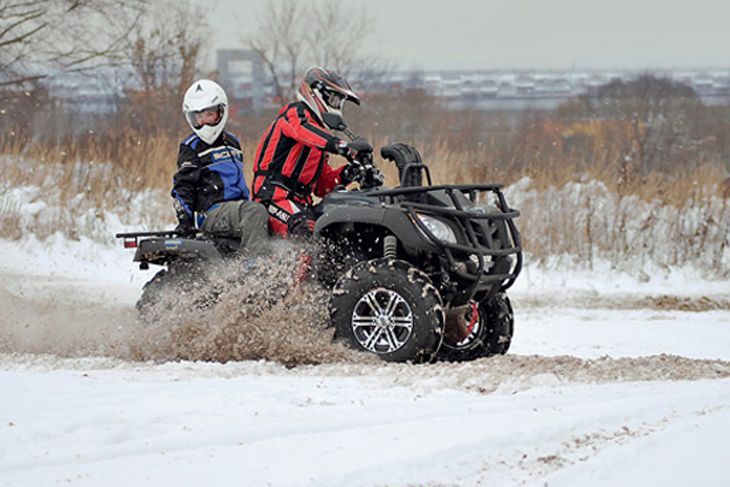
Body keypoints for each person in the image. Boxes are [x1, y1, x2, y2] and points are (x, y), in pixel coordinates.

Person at [252, 67, 372, 237]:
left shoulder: (319, 140)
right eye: (333, 99)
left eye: (339, 101)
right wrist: (342, 146)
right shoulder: (294, 114)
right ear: (315, 94)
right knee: (305, 228)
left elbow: (322, 186)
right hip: (272, 198)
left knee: (335, 225)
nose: (336, 105)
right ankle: (284, 265)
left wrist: (349, 173)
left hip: (302, 203)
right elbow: (303, 130)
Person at [172, 79, 268, 254]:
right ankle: (255, 269)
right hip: (210, 212)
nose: (204, 123)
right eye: (199, 117)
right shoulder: (191, 147)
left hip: (237, 208)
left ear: (220, 112)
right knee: (255, 213)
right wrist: (184, 221)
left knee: (269, 214)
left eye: (209, 115)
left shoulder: (232, 142)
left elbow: (239, 181)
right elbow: (183, 186)